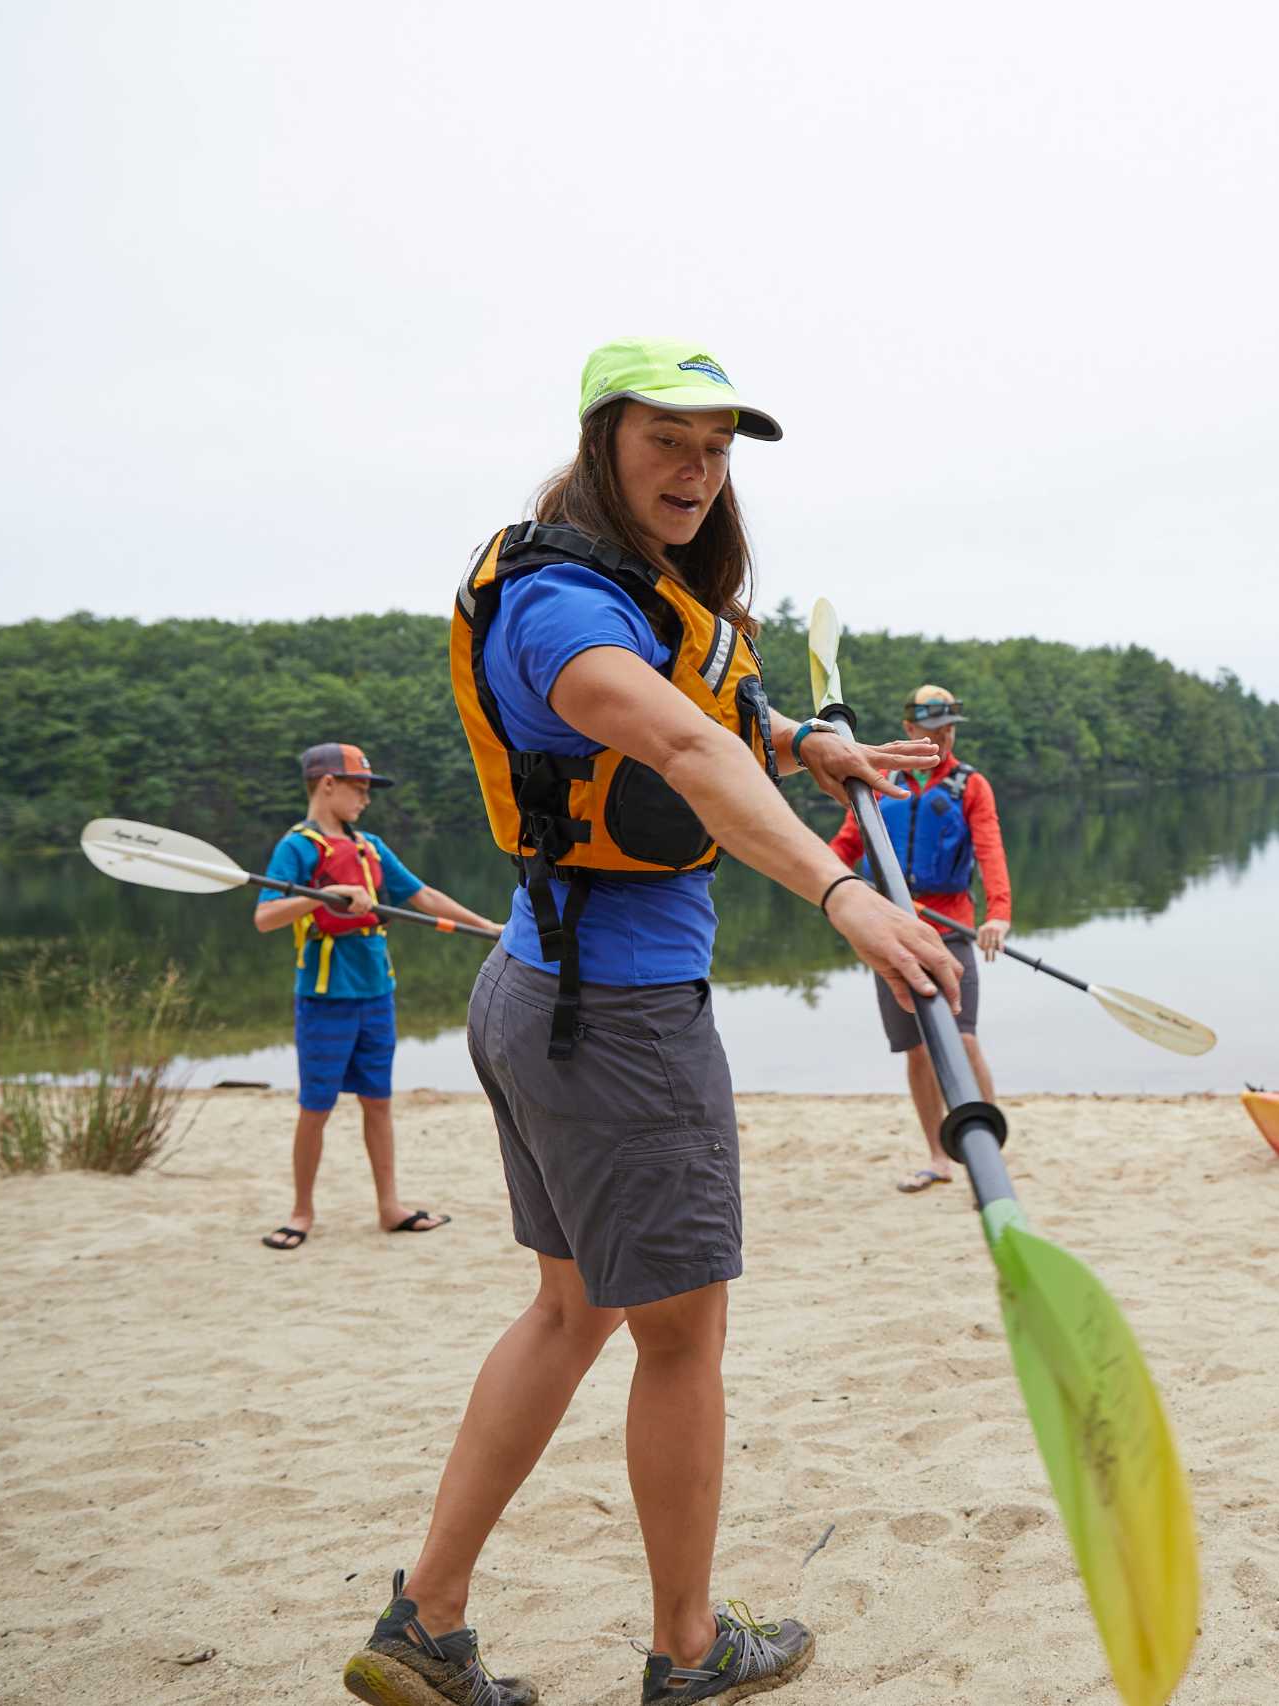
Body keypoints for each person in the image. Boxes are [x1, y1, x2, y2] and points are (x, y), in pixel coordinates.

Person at [338, 338, 959, 1706]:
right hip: (613, 1019)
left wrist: (807, 742)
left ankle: (423, 1622)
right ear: (603, 440)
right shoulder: (559, 613)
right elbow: (681, 746)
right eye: (667, 441)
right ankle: (687, 1650)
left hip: (538, 991)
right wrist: (842, 889)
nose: (695, 470)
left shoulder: (616, 586)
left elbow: (715, 703)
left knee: (571, 1309)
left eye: (717, 446)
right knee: (679, 1336)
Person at [251, 742, 499, 1252]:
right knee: (316, 1106)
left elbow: (423, 896)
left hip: (377, 994)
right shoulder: (297, 848)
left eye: (367, 789)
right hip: (324, 998)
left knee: (379, 1103)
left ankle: (389, 1207)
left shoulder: (371, 848)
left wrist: (488, 926)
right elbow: (265, 917)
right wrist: (324, 897)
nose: (365, 798)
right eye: (358, 788)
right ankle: (301, 1211)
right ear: (326, 785)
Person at [827, 684, 1013, 1192]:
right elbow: (845, 844)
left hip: (948, 928)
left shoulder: (970, 785)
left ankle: (988, 1156)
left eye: (950, 729)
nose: (943, 738)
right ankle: (938, 1157)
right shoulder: (877, 780)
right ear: (909, 730)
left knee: (964, 1038)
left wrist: (998, 915)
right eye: (933, 730)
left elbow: (991, 850)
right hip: (891, 931)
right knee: (916, 1051)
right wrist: (823, 886)